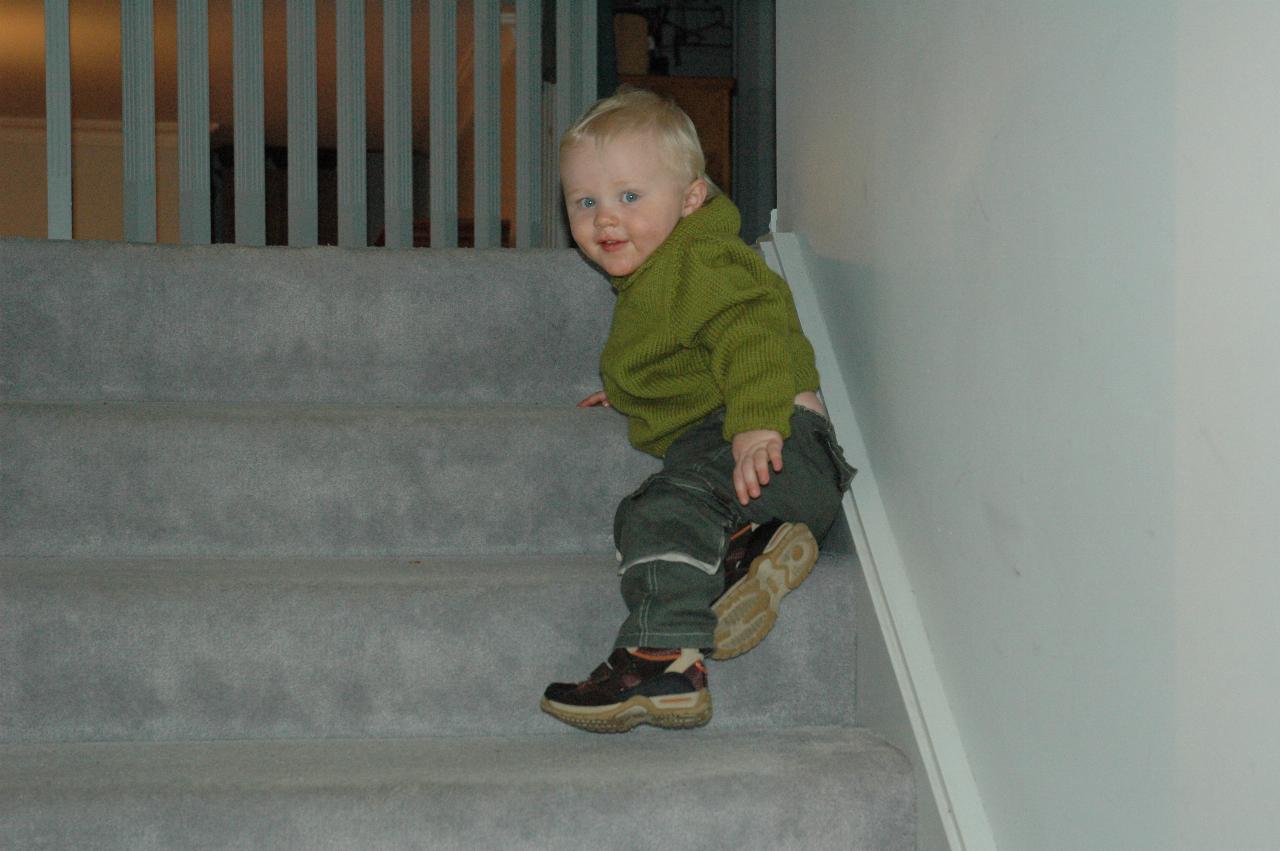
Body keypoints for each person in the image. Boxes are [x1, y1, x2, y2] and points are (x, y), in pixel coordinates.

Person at [541, 88, 854, 733]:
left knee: (665, 507)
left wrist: (757, 422)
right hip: (756, 475)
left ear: (689, 200)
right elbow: (685, 353)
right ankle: (752, 551)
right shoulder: (659, 280)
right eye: (586, 202)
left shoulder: (704, 258)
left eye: (630, 197)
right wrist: (633, 394)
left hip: (781, 444)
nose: (605, 218)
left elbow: (752, 329)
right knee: (657, 513)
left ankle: (661, 659)